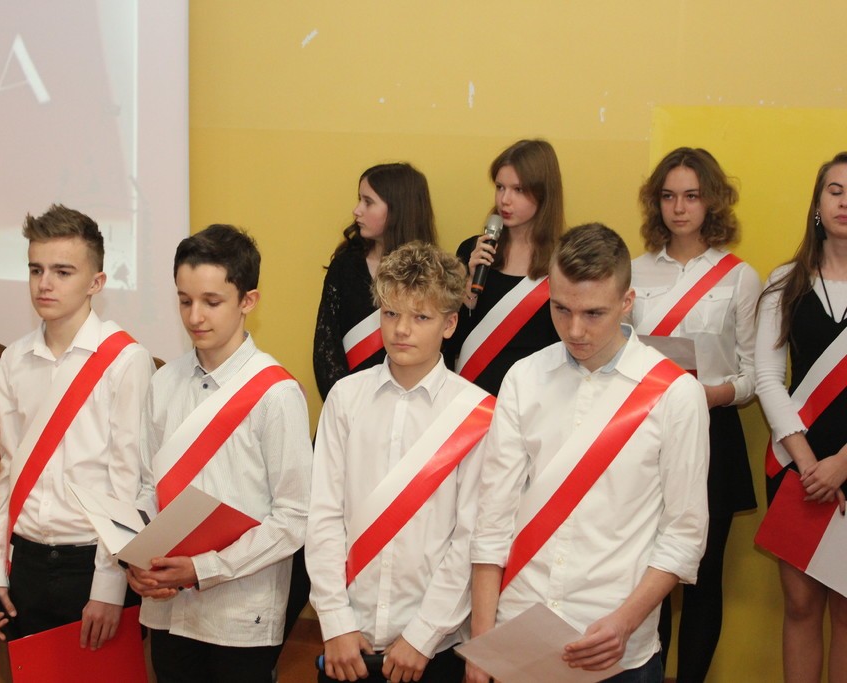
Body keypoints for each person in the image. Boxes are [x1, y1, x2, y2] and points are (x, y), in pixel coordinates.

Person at [469, 224, 709, 683]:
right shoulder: (523, 378)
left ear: (627, 302)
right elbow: (492, 520)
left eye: (594, 313)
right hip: (518, 629)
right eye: (561, 308)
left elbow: (684, 535)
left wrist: (625, 622)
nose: (575, 330)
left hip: (615, 643)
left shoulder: (676, 395)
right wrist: (482, 643)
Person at [128, 224, 312, 683]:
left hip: (240, 615)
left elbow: (294, 517)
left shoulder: (276, 394)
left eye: (211, 302)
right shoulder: (164, 383)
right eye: (184, 300)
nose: (195, 317)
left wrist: (202, 568)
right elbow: (148, 487)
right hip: (167, 608)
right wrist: (136, 558)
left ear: (248, 301)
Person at [308, 241, 492, 683]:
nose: (401, 330)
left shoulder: (476, 413)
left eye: (421, 317)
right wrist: (335, 621)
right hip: (348, 638)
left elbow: (470, 537)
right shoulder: (346, 398)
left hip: (433, 645)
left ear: (450, 324)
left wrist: (423, 635)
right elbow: (324, 516)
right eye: (391, 313)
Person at [0, 204, 155, 647]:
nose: (45, 283)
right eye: (36, 270)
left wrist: (109, 587)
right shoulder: (15, 359)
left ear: (96, 282)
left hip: (91, 562)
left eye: (62, 271)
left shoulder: (125, 360)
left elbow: (128, 483)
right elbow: (10, 472)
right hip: (27, 559)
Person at [630, 147, 759, 682]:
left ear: (712, 201)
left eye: (691, 196)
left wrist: (712, 394)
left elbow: (752, 374)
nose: (679, 208)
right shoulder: (633, 270)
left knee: (703, 577)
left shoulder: (739, 277)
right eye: (668, 196)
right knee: (647, 572)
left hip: (712, 432)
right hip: (644, 433)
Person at [756, 152, 847, 683]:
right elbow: (768, 379)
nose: (845, 202)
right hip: (797, 467)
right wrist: (810, 464)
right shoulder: (784, 282)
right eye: (835, 190)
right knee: (800, 606)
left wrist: (841, 464)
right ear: (817, 203)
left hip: (844, 465)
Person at [445, 139, 564, 396]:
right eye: (500, 187)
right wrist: (467, 292)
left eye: (518, 190)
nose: (504, 200)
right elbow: (449, 339)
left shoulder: (563, 260)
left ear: (543, 193)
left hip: (532, 397)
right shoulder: (472, 250)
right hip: (473, 393)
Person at [313, 162, 438, 401]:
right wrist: (345, 403)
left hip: (411, 405)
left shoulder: (431, 274)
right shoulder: (345, 266)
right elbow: (326, 348)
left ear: (398, 209)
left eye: (368, 202)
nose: (356, 210)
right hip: (349, 405)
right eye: (359, 200)